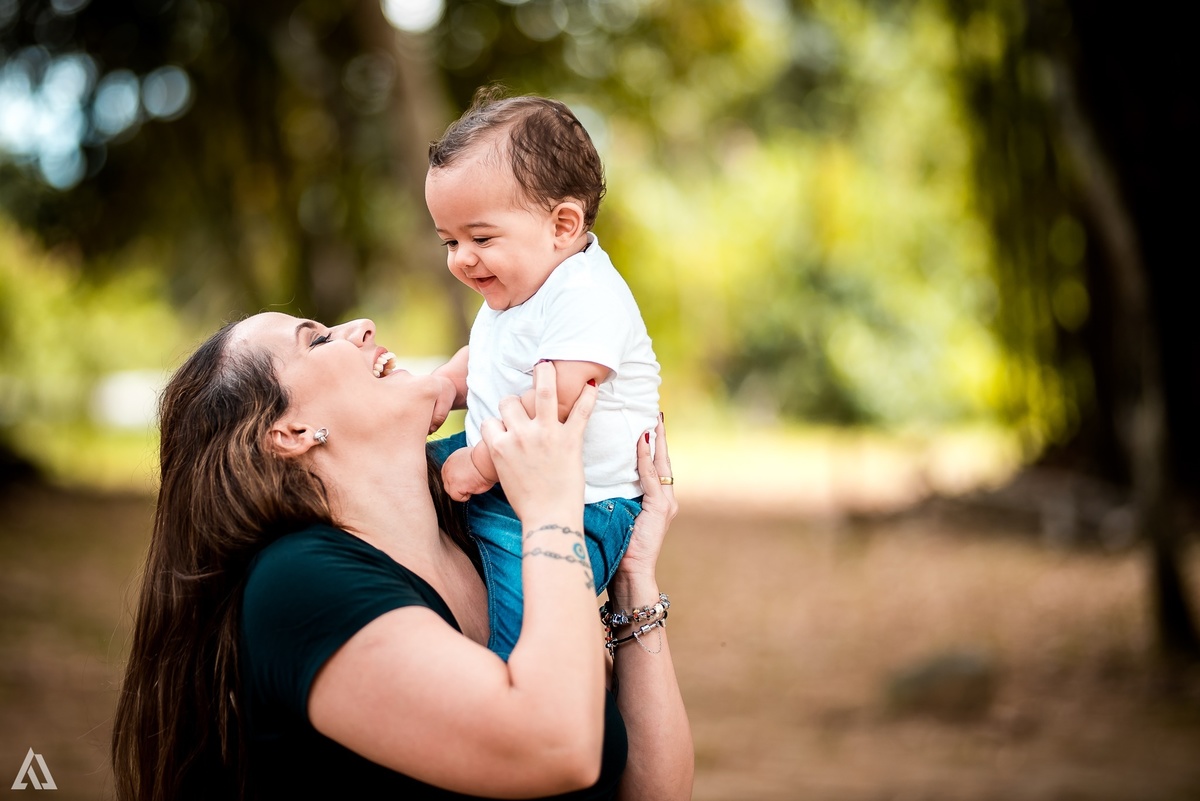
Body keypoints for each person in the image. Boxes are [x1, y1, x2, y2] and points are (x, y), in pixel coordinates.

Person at [110, 312, 692, 801]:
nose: (360, 326)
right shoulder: (299, 586)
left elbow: (647, 791)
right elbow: (555, 748)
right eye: (315, 340)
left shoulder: (486, 534)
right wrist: (551, 513)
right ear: (288, 430)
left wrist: (633, 579)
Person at [423, 88, 662, 659]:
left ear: (562, 224)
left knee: (527, 621)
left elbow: (555, 397)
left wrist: (477, 466)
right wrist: (444, 386)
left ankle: (531, 697)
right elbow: (485, 358)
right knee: (383, 472)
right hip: (513, 468)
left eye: (480, 238)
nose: (461, 258)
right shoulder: (519, 285)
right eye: (450, 242)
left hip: (580, 502)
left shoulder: (587, 294)